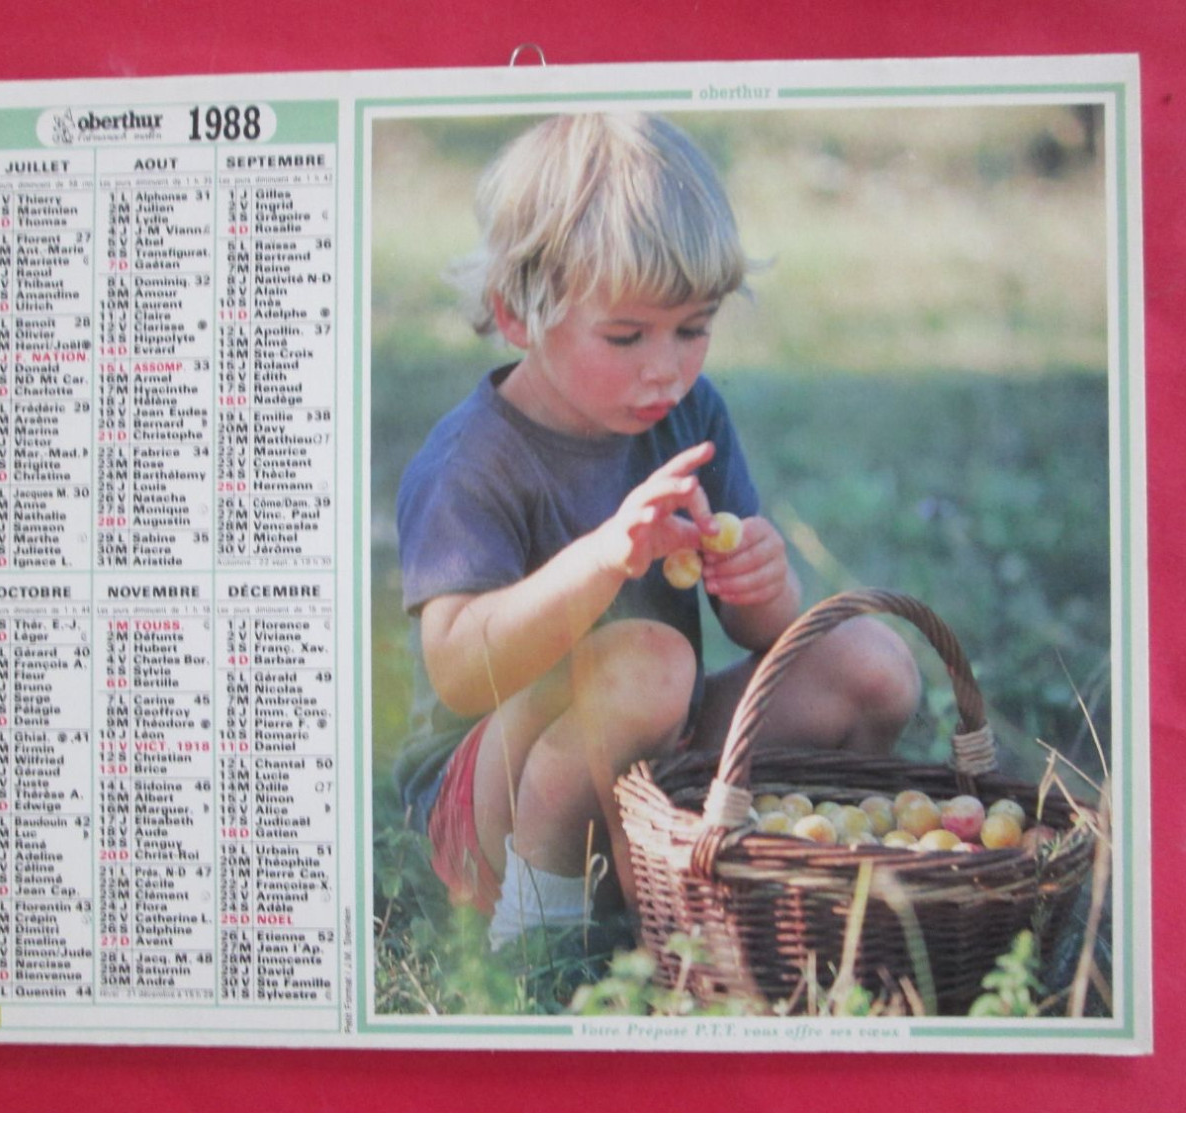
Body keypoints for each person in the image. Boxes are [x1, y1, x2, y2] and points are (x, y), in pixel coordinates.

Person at [392, 113, 920, 951]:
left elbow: (763, 636)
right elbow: (459, 673)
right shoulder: (474, 459)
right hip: (482, 803)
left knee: (871, 665)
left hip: (647, 754)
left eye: (694, 327)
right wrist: (604, 559)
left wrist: (765, 587)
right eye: (627, 335)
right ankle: (540, 932)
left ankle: (800, 893)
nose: (666, 368)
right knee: (652, 658)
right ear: (519, 313)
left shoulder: (689, 415)